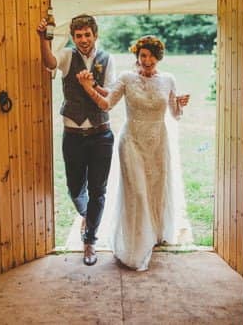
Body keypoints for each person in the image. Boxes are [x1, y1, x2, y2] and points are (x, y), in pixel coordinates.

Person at [76, 35, 193, 271]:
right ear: (137, 58)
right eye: (142, 56)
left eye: (150, 56)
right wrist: (89, 88)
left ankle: (155, 231)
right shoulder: (127, 79)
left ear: (157, 57)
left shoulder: (168, 79)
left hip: (158, 142)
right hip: (131, 142)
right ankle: (135, 245)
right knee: (137, 192)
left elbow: (175, 114)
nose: (146, 60)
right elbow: (107, 104)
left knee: (155, 188)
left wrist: (180, 103)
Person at [37, 14, 116, 266]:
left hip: (101, 134)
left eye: (87, 35)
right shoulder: (67, 55)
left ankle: (89, 240)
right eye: (78, 35)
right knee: (74, 188)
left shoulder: (107, 59)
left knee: (98, 191)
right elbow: (49, 62)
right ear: (73, 37)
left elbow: (109, 95)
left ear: (95, 35)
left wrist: (88, 88)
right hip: (73, 135)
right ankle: (87, 215)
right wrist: (43, 39)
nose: (83, 40)